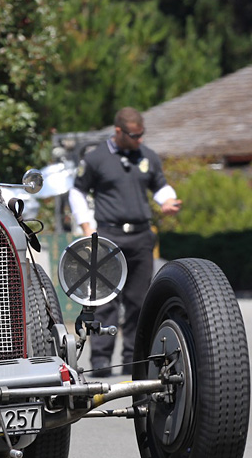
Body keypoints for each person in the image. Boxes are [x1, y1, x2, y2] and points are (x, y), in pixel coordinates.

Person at [69, 106, 181, 377]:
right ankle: (101, 362)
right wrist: (86, 225)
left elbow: (160, 185)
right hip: (109, 236)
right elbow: (77, 191)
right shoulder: (96, 158)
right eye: (134, 135)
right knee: (106, 301)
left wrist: (167, 199)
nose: (139, 140)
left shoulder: (147, 156)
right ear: (119, 131)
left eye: (142, 134)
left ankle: (134, 358)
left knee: (138, 301)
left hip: (141, 236)